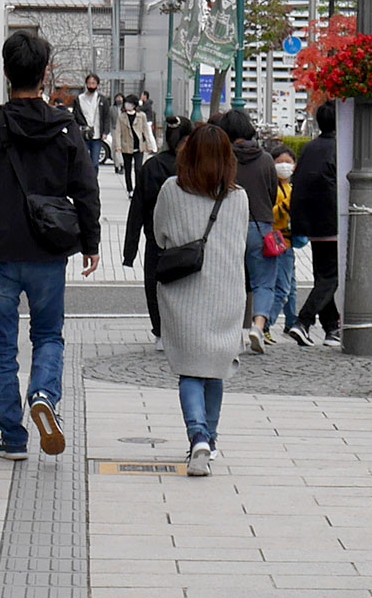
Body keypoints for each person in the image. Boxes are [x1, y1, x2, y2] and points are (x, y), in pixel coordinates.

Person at [0, 31, 101, 461]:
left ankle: (12, 436)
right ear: (45, 74)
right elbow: (85, 188)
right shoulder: (65, 127)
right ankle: (44, 394)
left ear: (7, 72)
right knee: (49, 334)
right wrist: (91, 241)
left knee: (1, 346)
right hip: (49, 250)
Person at [153, 124, 248, 477]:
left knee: (190, 368)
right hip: (226, 291)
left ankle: (198, 437)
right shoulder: (238, 197)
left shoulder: (171, 190)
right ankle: (210, 437)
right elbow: (240, 243)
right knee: (215, 370)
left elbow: (160, 233)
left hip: (184, 292)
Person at [123, 116, 195, 350]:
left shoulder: (151, 166)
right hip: (189, 236)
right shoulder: (195, 165)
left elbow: (137, 210)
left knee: (154, 284)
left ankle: (160, 331)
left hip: (156, 235)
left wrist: (129, 250)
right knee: (186, 285)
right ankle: (183, 330)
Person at [214, 110, 278, 355]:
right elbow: (273, 193)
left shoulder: (224, 159)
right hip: (261, 226)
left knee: (231, 281)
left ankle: (230, 331)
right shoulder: (265, 159)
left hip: (228, 226)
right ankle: (258, 326)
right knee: (264, 282)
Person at [287, 103, 340, 348]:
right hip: (333, 220)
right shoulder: (341, 149)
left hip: (310, 221)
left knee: (323, 275)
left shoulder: (309, 148)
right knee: (331, 278)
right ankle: (303, 321)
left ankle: (331, 329)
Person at [266, 143, 309, 342]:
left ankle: (291, 322)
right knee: (282, 288)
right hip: (277, 243)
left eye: (288, 162)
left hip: (288, 243)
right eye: (279, 162)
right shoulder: (272, 189)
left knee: (290, 285)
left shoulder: (290, 188)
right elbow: (272, 215)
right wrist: (286, 205)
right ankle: (264, 324)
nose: (284, 166)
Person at [115, 94, 158, 197]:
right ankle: (130, 189)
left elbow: (146, 131)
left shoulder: (141, 115)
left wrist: (149, 144)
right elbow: (118, 132)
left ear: (134, 104)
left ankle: (138, 189)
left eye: (129, 103)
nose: (127, 105)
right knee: (128, 169)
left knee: (138, 169)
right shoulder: (122, 117)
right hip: (126, 146)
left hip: (138, 146)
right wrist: (118, 146)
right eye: (126, 103)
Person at [72, 73, 111, 171]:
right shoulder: (79, 99)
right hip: (83, 134)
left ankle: (93, 182)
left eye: (93, 83)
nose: (91, 85)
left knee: (95, 163)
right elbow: (75, 116)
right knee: (82, 162)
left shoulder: (102, 100)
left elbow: (106, 117)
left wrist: (105, 132)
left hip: (97, 135)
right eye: (89, 83)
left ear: (97, 85)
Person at [109, 93, 125, 173]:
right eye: (117, 97)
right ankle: (116, 164)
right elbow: (110, 120)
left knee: (122, 148)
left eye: (120, 97)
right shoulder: (112, 108)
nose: (119, 99)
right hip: (115, 129)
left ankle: (122, 164)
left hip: (123, 130)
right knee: (115, 148)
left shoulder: (124, 108)